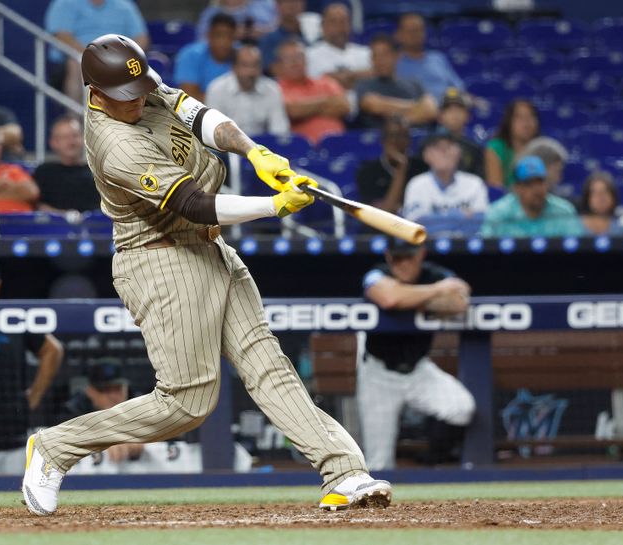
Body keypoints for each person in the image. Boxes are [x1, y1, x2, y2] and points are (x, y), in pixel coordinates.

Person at [21, 34, 391, 516]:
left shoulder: (138, 83)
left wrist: (255, 153)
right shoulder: (114, 143)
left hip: (208, 244)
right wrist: (274, 204)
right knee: (187, 402)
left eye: (139, 91)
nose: (137, 102)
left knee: (267, 362)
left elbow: (199, 117)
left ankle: (344, 472)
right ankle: (55, 447)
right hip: (161, 255)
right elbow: (192, 204)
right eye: (124, 98)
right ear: (95, 91)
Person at [360, 237, 475, 470]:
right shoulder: (376, 273)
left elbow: (459, 301)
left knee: (461, 407)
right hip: (378, 374)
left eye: (408, 257)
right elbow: (389, 298)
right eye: (397, 257)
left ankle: (430, 464)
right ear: (388, 256)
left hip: (418, 369)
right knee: (378, 464)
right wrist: (436, 291)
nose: (403, 263)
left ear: (420, 254)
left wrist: (409, 298)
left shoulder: (434, 273)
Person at [0, 255, 64, 476]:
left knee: (18, 502)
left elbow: (53, 350)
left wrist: (35, 395)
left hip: (13, 436)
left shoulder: (13, 316)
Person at [44, 0, 149, 102]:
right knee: (77, 63)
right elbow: (62, 36)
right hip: (76, 59)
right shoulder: (65, 3)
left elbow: (141, 38)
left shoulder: (124, 5)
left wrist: (125, 57)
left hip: (117, 60)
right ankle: (75, 118)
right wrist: (93, 57)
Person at [57, 358, 144, 464]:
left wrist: (144, 438)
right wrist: (105, 442)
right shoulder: (75, 409)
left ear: (126, 387)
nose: (113, 396)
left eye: (118, 388)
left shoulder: (140, 405)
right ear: (90, 391)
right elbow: (63, 440)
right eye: (105, 390)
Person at [402, 132, 488, 235]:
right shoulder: (417, 184)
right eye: (437, 148)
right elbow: (415, 226)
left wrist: (436, 219)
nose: (444, 152)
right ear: (426, 155)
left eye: (449, 146)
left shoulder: (474, 183)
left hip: (467, 248)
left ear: (459, 153)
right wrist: (460, 215)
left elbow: (480, 222)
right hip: (427, 247)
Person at [481, 155, 584, 238]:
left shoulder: (564, 211)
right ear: (517, 188)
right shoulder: (498, 213)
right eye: (529, 184)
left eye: (540, 182)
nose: (537, 190)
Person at [205, 45, 290, 137]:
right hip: (226, 148)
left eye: (255, 65)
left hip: (262, 147)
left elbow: (279, 130)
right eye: (245, 65)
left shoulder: (272, 89)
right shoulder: (217, 89)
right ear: (234, 67)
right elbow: (212, 131)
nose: (251, 72)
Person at [356, 34, 438, 129]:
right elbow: (374, 105)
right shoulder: (364, 84)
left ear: (396, 56)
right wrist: (417, 107)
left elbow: (431, 110)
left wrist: (404, 121)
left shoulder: (414, 84)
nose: (380, 60)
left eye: (385, 55)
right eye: (375, 56)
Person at [275, 39, 349, 144]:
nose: (295, 62)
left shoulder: (326, 82)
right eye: (289, 58)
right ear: (279, 64)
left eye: (299, 57)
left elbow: (344, 106)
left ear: (306, 60)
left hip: (339, 145)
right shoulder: (276, 89)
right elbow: (293, 111)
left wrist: (306, 110)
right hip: (302, 150)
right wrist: (327, 102)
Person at [305, 3, 372, 109]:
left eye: (344, 22)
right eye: (334, 22)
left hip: (365, 110)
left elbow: (376, 77)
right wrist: (358, 77)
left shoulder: (365, 52)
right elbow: (316, 86)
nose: (340, 27)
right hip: (329, 111)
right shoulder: (309, 55)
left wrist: (342, 77)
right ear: (323, 26)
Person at [355, 116, 426, 214]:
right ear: (383, 140)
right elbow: (384, 214)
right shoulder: (367, 172)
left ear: (409, 141)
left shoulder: (422, 167)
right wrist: (402, 169)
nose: (396, 141)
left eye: (402, 136)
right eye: (392, 135)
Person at [33, 116, 100, 213]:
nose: (71, 142)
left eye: (75, 136)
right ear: (53, 143)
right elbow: (36, 205)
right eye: (65, 137)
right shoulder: (43, 172)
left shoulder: (97, 173)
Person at [394, 13, 465, 102]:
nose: (415, 35)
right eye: (410, 31)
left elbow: (458, 88)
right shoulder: (393, 62)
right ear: (398, 34)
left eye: (419, 30)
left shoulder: (438, 58)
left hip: (446, 109)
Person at [173, 14, 237, 102]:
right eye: (219, 36)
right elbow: (190, 98)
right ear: (209, 36)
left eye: (229, 37)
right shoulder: (190, 55)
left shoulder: (241, 56)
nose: (224, 42)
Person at [483, 99, 540, 188]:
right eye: (520, 117)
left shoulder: (542, 148)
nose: (526, 122)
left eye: (531, 116)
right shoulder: (496, 148)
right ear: (509, 122)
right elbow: (496, 189)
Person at [436, 88, 482, 177]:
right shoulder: (428, 145)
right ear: (440, 116)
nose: (454, 114)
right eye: (449, 110)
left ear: (468, 116)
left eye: (459, 110)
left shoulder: (475, 148)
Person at [258, 0, 310, 73]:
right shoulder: (268, 40)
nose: (292, 5)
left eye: (296, 1)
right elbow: (271, 69)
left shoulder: (313, 32)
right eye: (287, 1)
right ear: (277, 5)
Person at [196, 0, 277, 42]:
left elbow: (280, 29)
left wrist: (263, 32)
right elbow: (201, 41)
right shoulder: (210, 14)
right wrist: (230, 34)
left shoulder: (264, 7)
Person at [579, 171, 623, 236]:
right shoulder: (573, 226)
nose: (601, 197)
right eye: (595, 192)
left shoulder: (622, 227)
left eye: (605, 192)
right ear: (587, 198)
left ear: (613, 197)